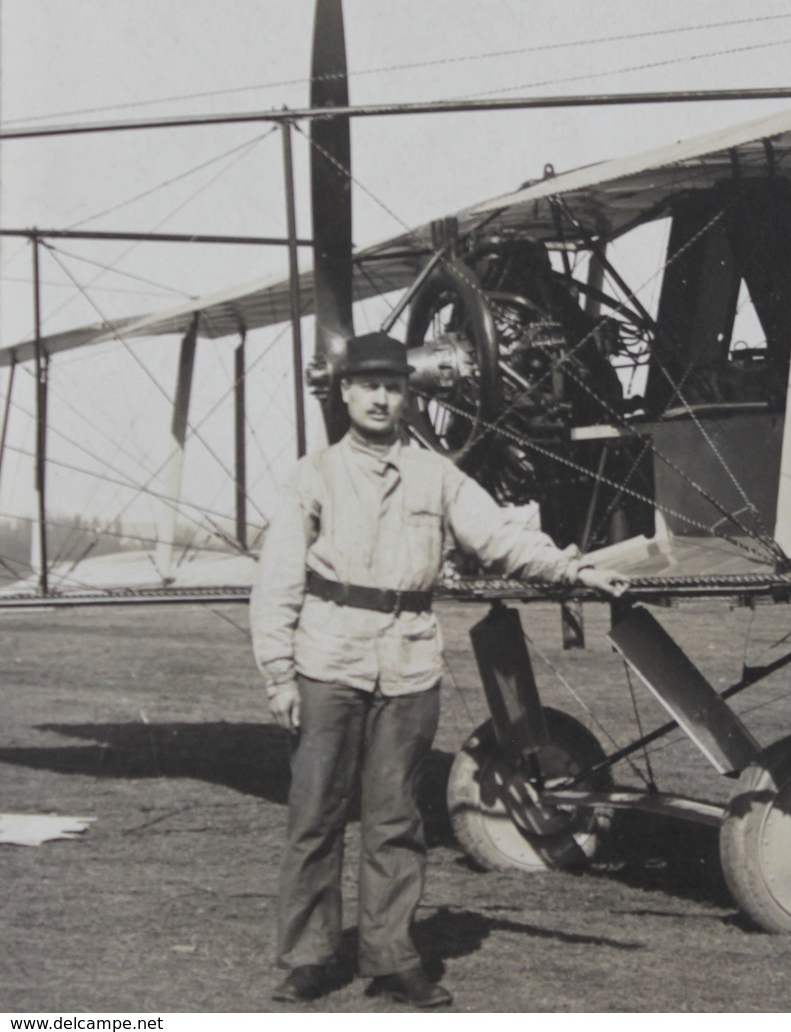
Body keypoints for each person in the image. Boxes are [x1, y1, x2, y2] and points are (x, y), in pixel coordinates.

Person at [250, 331, 629, 1009]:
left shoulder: (438, 476)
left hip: (409, 664)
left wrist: (574, 568)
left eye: (394, 387)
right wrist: (279, 673)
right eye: (368, 386)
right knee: (315, 814)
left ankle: (393, 958)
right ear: (345, 394)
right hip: (329, 657)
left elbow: (500, 537)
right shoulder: (314, 476)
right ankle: (308, 958)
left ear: (407, 397)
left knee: (396, 817)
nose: (381, 398)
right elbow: (277, 580)